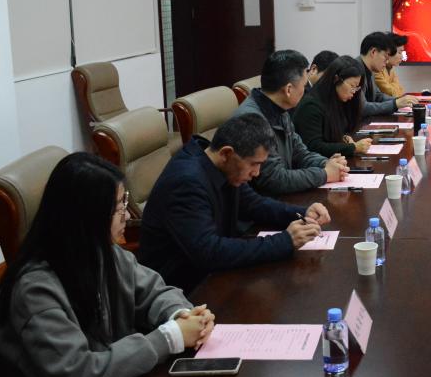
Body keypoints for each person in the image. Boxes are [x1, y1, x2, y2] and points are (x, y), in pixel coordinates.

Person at [0, 153, 215, 377]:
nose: (128, 215)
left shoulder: (102, 251)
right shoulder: (34, 290)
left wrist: (180, 314)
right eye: (119, 207)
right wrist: (169, 338)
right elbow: (80, 375)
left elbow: (154, 291)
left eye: (125, 202)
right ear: (86, 217)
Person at [139, 113, 330, 293]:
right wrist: (285, 241)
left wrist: (301, 213)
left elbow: (253, 204)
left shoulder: (220, 164)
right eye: (254, 164)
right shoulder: (186, 183)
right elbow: (209, 252)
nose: (257, 173)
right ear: (226, 153)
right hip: (183, 290)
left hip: (213, 274)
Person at [233, 49, 348, 195]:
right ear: (288, 89)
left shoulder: (279, 108)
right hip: (264, 202)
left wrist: (326, 163)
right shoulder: (252, 120)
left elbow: (299, 153)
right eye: (304, 86)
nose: (305, 90)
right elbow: (274, 179)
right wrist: (325, 174)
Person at [292, 55, 371, 158]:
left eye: (356, 88)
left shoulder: (337, 101)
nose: (354, 92)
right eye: (352, 86)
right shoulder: (311, 105)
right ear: (336, 79)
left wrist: (344, 137)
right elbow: (314, 147)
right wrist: (353, 148)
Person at [356, 32, 418, 116]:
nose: (387, 61)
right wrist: (395, 104)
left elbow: (377, 96)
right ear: (373, 52)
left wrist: (399, 100)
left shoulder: (370, 69)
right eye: (385, 57)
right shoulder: (355, 70)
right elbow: (363, 108)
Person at [374, 33, 408, 98]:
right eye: (399, 52)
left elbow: (401, 91)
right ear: (389, 51)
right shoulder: (377, 69)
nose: (401, 57)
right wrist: (394, 87)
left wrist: (393, 87)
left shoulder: (391, 69)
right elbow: (390, 92)